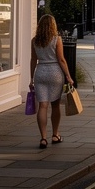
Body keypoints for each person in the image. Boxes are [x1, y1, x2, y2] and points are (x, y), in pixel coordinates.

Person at [29, 14, 74, 149]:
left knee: (43, 106)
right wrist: (68, 76)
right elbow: (61, 59)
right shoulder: (57, 39)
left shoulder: (34, 41)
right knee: (55, 105)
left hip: (40, 72)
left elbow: (33, 60)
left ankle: (43, 138)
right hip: (55, 73)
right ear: (52, 26)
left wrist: (31, 78)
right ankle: (55, 135)